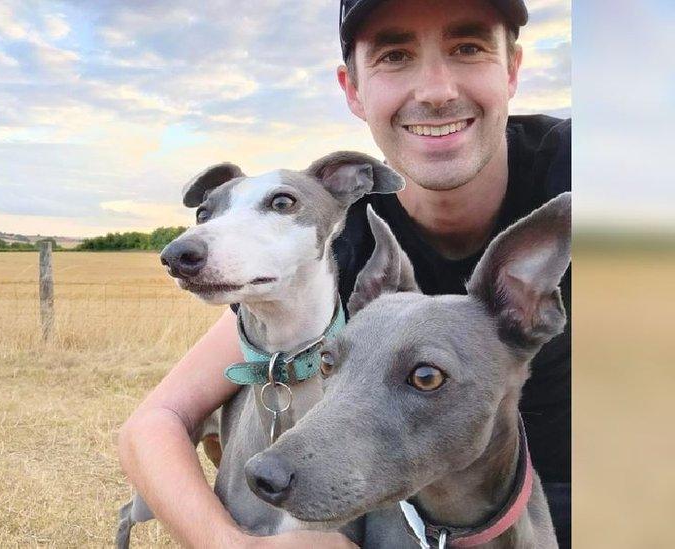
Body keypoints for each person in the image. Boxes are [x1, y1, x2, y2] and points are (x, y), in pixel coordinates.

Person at [118, 0, 571, 547]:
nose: (435, 90)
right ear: (353, 90)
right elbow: (157, 420)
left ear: (513, 69)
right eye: (395, 55)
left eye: (468, 48)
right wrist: (235, 545)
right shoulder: (342, 244)